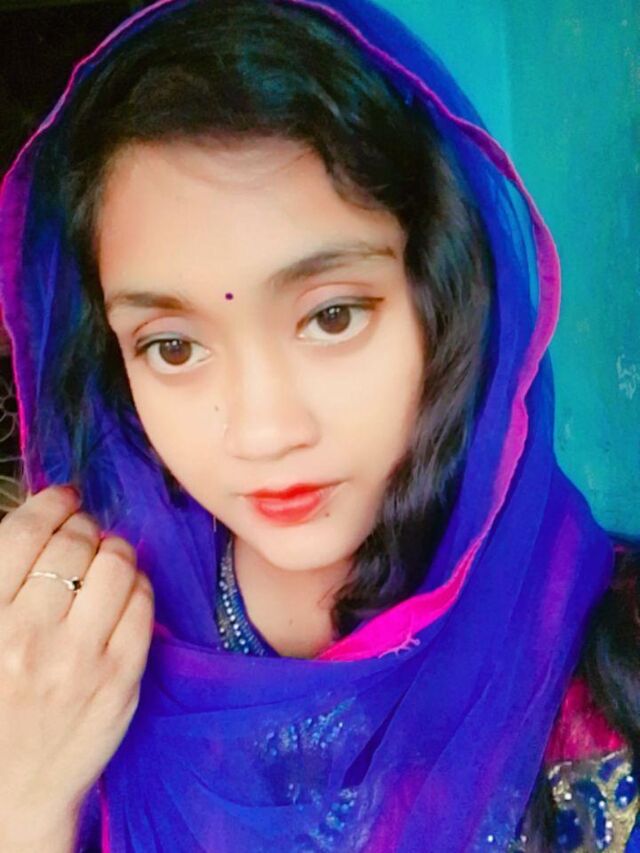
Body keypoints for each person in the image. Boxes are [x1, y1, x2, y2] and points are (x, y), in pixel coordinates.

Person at [0, 0, 637, 850]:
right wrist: (24, 800)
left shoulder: (608, 661)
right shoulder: (54, 660)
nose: (263, 432)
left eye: (332, 316)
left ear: (442, 299)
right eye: (173, 345)